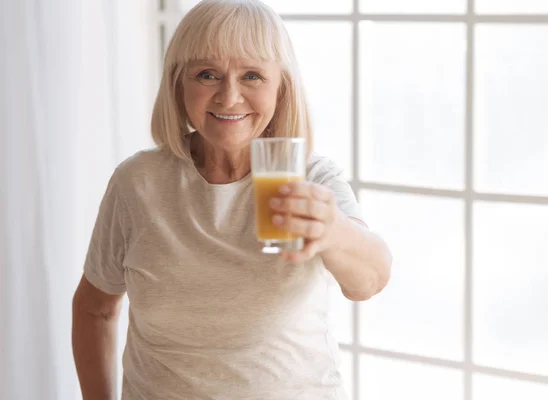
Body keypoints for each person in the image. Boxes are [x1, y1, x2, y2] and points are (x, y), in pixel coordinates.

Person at [71, 0, 392, 398]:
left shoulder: (310, 179)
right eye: (207, 74)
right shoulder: (137, 183)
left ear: (281, 89)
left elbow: (370, 281)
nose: (229, 97)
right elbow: (95, 308)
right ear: (178, 85)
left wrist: (335, 231)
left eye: (253, 76)